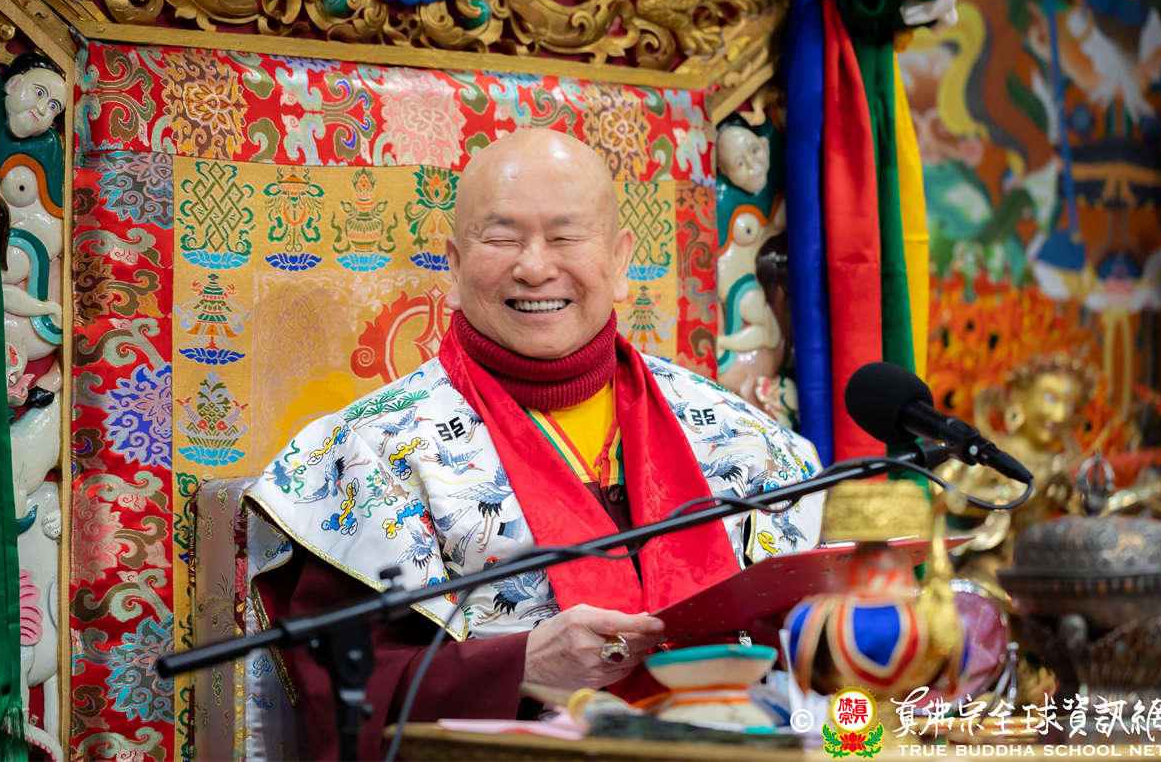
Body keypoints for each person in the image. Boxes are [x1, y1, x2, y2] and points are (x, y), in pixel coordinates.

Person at [245, 128, 823, 759]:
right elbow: (346, 695)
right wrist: (520, 665)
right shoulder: (374, 450)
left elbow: (810, 654)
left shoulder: (740, 437)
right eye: (502, 238)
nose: (535, 266)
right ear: (454, 264)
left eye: (566, 236)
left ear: (620, 261)